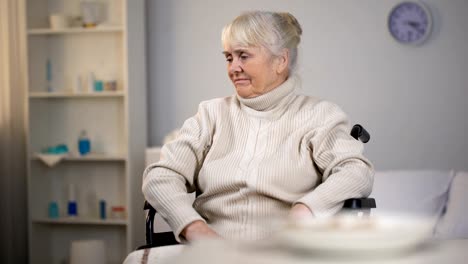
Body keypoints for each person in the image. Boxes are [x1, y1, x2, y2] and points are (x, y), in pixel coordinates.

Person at [142, 11, 373, 243]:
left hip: (287, 249)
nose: (234, 68)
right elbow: (161, 176)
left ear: (280, 61)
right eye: (229, 58)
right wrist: (195, 229)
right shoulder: (211, 114)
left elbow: (355, 171)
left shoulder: (319, 115)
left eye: (243, 56)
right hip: (210, 248)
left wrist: (305, 211)